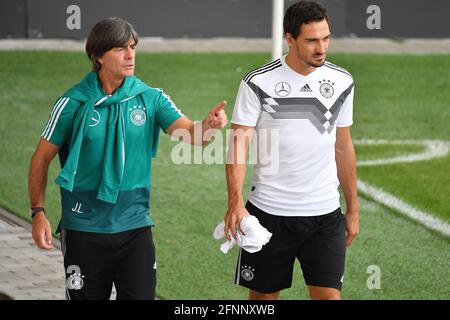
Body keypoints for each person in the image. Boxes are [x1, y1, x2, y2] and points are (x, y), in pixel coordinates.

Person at [28, 17, 227, 300]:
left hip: (135, 228)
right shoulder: (72, 103)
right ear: (98, 56)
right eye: (121, 49)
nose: (131, 55)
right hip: (84, 229)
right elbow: (40, 158)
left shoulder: (151, 98)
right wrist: (38, 213)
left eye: (133, 47)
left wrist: (208, 126)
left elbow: (191, 136)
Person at [224, 1, 359, 300]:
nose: (321, 47)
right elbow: (238, 147)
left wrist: (353, 209)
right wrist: (235, 203)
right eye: (311, 40)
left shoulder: (342, 82)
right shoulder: (258, 82)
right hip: (269, 214)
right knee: (262, 301)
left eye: (325, 38)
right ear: (290, 39)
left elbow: (343, 146)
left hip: (325, 215)